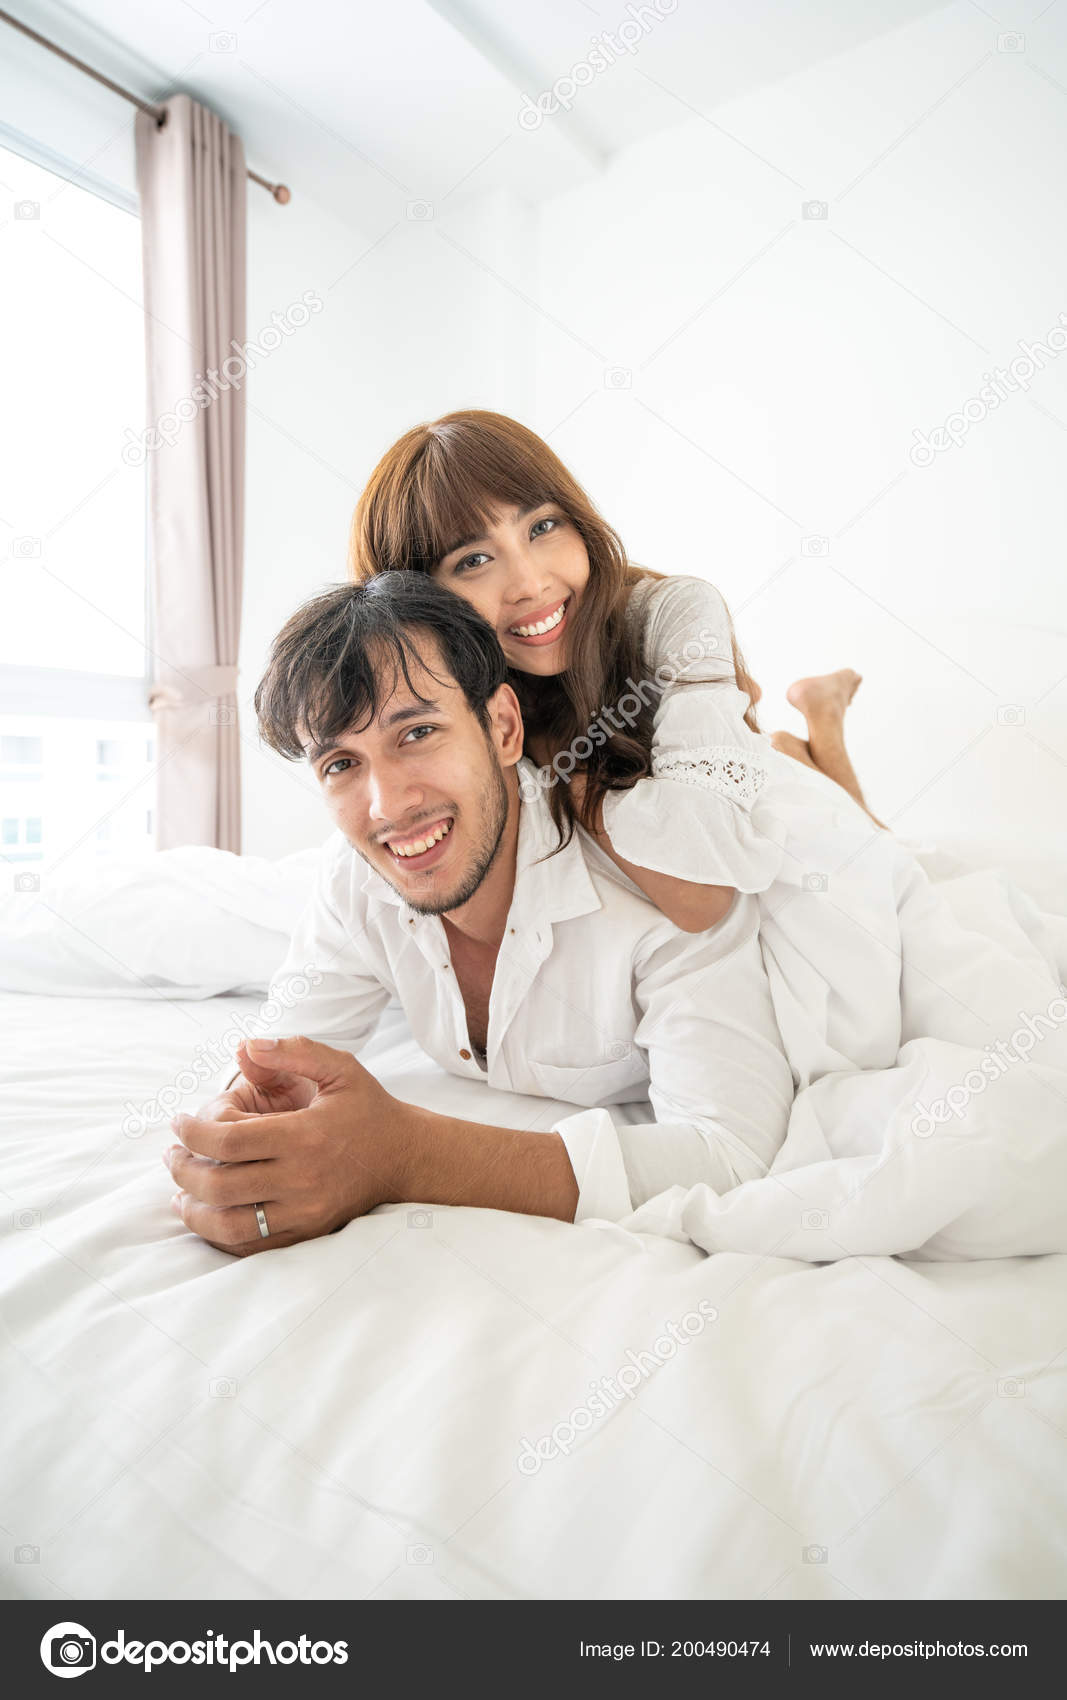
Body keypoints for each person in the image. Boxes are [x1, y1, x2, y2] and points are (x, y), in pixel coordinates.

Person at [345, 410, 1000, 1089]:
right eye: (473, 560)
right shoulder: (449, 696)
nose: (530, 582)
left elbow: (703, 897)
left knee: (888, 855)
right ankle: (810, 728)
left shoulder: (670, 612)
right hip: (692, 790)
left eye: (542, 526)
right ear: (420, 602)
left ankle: (814, 731)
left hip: (751, 814)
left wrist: (563, 762)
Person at [164, 573, 795, 1256]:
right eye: (341, 762)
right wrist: (245, 1137)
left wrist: (408, 1156)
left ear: (500, 726)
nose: (386, 805)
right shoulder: (352, 881)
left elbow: (730, 1156)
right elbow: (279, 1071)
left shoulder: (659, 886)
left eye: (418, 732)